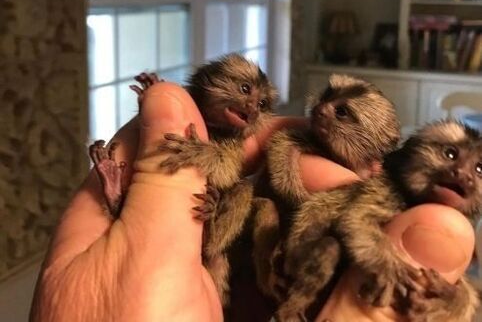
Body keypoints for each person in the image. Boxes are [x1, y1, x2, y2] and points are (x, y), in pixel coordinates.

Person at [29, 82, 475, 322]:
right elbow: (247, 172)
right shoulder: (290, 145)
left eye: (342, 113)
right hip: (260, 249)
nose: (321, 109)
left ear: (381, 151)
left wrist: (453, 302)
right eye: (327, 99)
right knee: (245, 199)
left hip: (295, 268)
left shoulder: (379, 185)